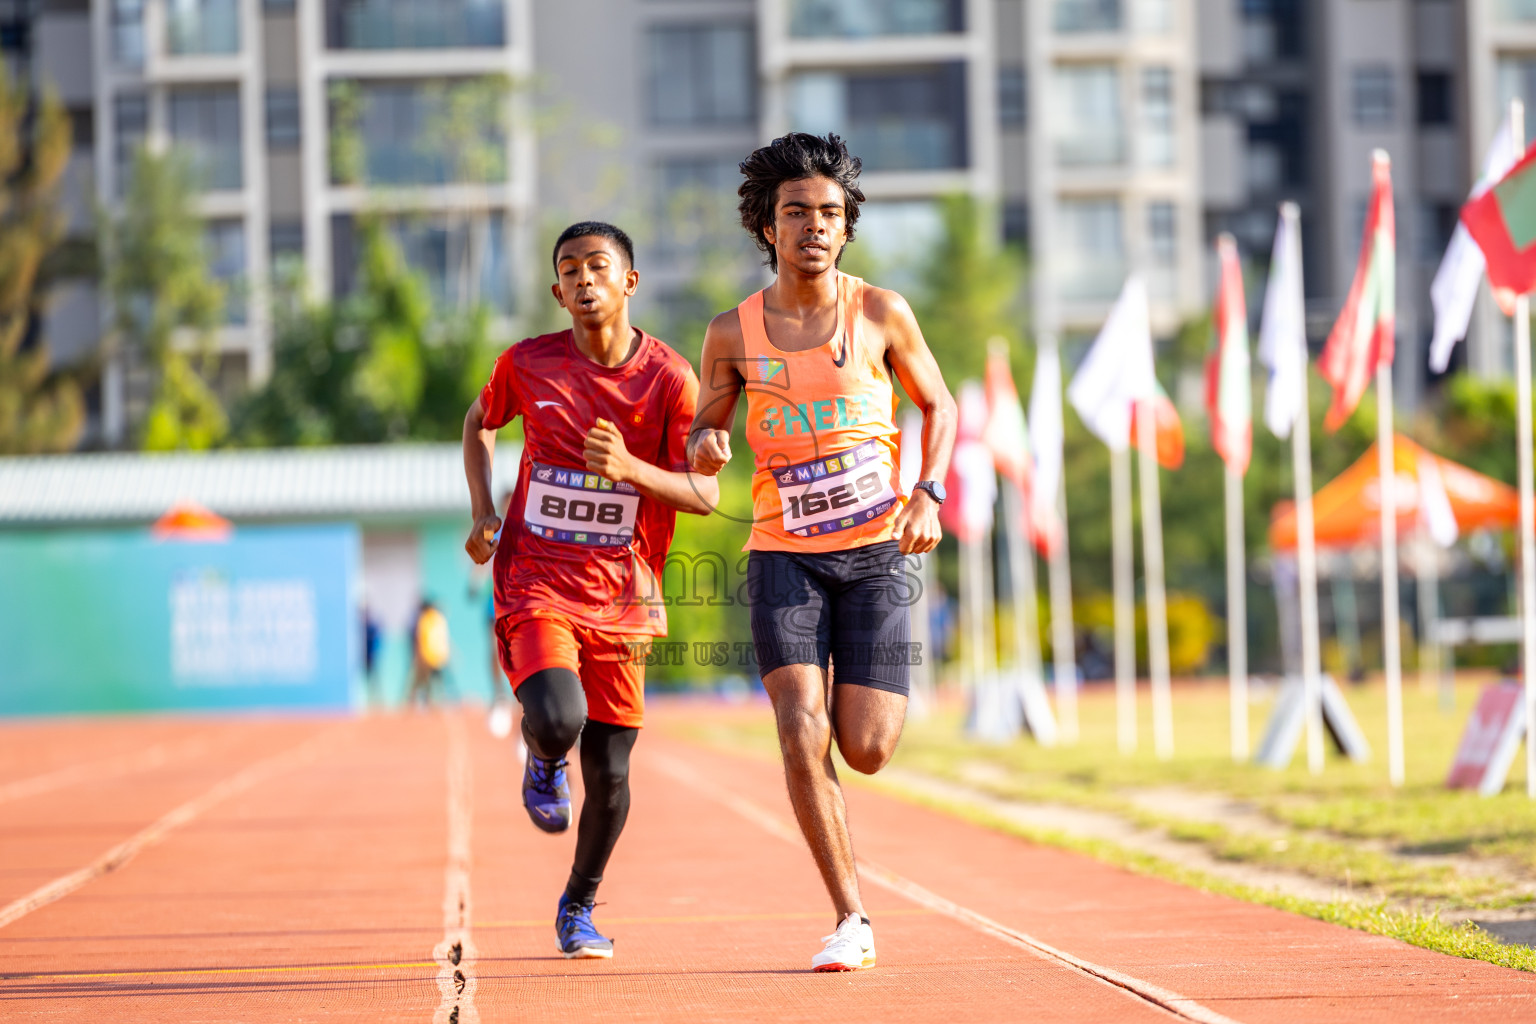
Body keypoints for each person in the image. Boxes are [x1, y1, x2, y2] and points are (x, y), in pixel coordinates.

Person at [687, 133, 956, 972]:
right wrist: (705, 446)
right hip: (783, 555)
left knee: (867, 746)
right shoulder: (730, 332)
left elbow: (939, 407)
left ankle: (849, 796)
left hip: (876, 552)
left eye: (829, 214)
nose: (813, 226)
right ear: (767, 227)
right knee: (800, 724)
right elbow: (706, 422)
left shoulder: (880, 313)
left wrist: (927, 492)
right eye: (795, 212)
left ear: (847, 228)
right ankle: (852, 916)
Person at [462, 220, 716, 959]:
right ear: (556, 290)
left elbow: (703, 492)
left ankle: (578, 904)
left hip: (623, 596)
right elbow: (481, 421)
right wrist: (485, 510)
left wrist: (632, 470)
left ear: (629, 281)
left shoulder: (669, 379)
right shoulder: (528, 364)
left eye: (596, 265)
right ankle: (543, 756)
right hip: (537, 580)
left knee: (609, 774)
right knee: (557, 714)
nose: (582, 279)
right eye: (568, 269)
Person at [408, 599, 451, 707]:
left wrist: (419, 655)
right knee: (429, 681)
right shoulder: (438, 618)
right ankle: (429, 701)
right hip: (436, 656)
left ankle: (421, 701)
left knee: (422, 681)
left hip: (427, 656)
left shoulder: (426, 619)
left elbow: (421, 638)